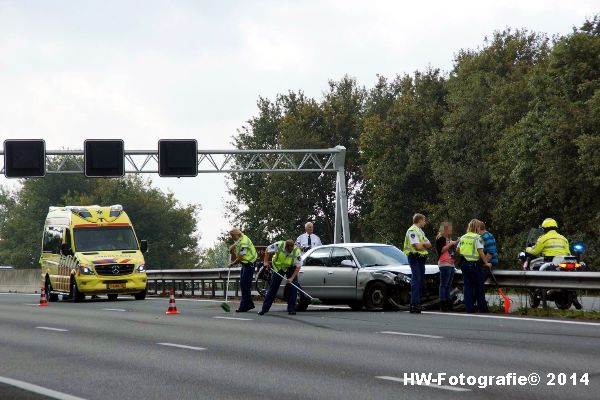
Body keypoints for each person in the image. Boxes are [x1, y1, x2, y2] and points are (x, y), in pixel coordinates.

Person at [456, 219, 492, 313]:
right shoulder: (477, 237)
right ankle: (482, 308)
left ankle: (469, 308)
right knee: (479, 286)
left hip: (464, 264)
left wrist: (465, 254)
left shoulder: (463, 237)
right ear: (477, 227)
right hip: (474, 265)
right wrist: (486, 263)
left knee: (467, 287)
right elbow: (481, 252)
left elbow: (458, 250)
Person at [259, 239, 302, 316]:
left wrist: (291, 278)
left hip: (291, 267)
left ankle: (291, 309)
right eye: (287, 250)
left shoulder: (297, 251)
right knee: (273, 287)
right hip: (278, 267)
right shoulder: (279, 245)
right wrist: (265, 262)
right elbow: (267, 250)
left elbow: (298, 266)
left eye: (290, 251)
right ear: (285, 246)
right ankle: (264, 309)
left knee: (293, 287)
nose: (288, 252)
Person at [403, 213, 432, 314]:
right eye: (424, 220)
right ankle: (414, 304)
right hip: (414, 257)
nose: (425, 222)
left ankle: (417, 303)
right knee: (416, 280)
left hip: (420, 259)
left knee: (420, 280)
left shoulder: (420, 231)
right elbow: (418, 247)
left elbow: (429, 244)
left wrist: (423, 244)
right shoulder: (412, 230)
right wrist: (424, 244)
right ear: (419, 220)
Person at [228, 229, 258, 312]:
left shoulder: (244, 242)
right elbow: (237, 243)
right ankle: (249, 304)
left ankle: (244, 306)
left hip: (249, 264)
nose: (232, 238)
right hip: (245, 264)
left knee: (245, 285)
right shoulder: (241, 238)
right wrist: (232, 247)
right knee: (243, 284)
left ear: (236, 234)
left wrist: (232, 264)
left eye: (233, 236)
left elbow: (240, 257)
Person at [435, 222, 457, 312]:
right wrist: (451, 244)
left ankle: (448, 303)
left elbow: (451, 250)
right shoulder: (440, 238)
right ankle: (443, 303)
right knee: (443, 284)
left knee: (448, 285)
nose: (451, 230)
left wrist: (454, 244)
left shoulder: (448, 238)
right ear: (445, 229)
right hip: (444, 262)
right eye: (450, 228)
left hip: (451, 263)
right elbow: (442, 249)